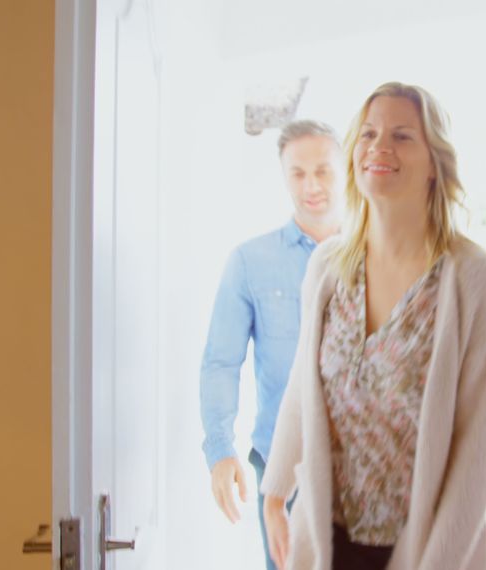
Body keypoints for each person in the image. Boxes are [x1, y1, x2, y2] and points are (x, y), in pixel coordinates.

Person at [261, 82, 486, 570]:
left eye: (402, 136)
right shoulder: (327, 267)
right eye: (369, 134)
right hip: (334, 546)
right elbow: (303, 385)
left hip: (434, 552)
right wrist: (276, 491)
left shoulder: (472, 280)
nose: (380, 147)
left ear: (433, 166)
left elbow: (477, 457)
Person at [200, 120, 344, 570]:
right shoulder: (249, 261)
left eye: (323, 170)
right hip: (284, 464)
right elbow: (221, 361)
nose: (311, 185)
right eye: (298, 173)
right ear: (284, 177)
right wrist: (220, 450)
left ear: (345, 171)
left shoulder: (379, 252)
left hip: (362, 463)